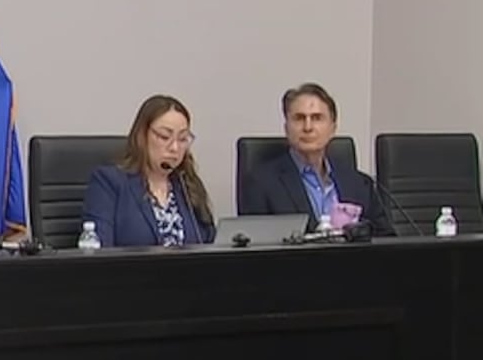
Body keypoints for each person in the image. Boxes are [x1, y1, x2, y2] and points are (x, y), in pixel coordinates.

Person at [240, 82, 393, 235]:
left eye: (317, 118)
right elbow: (257, 243)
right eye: (299, 118)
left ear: (332, 129)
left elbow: (385, 239)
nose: (308, 127)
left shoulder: (359, 183)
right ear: (286, 128)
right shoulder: (261, 184)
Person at [82, 95, 215, 247]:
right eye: (164, 137)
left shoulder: (186, 183)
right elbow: (99, 251)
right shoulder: (109, 182)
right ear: (142, 136)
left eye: (183, 139)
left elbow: (210, 242)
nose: (175, 148)